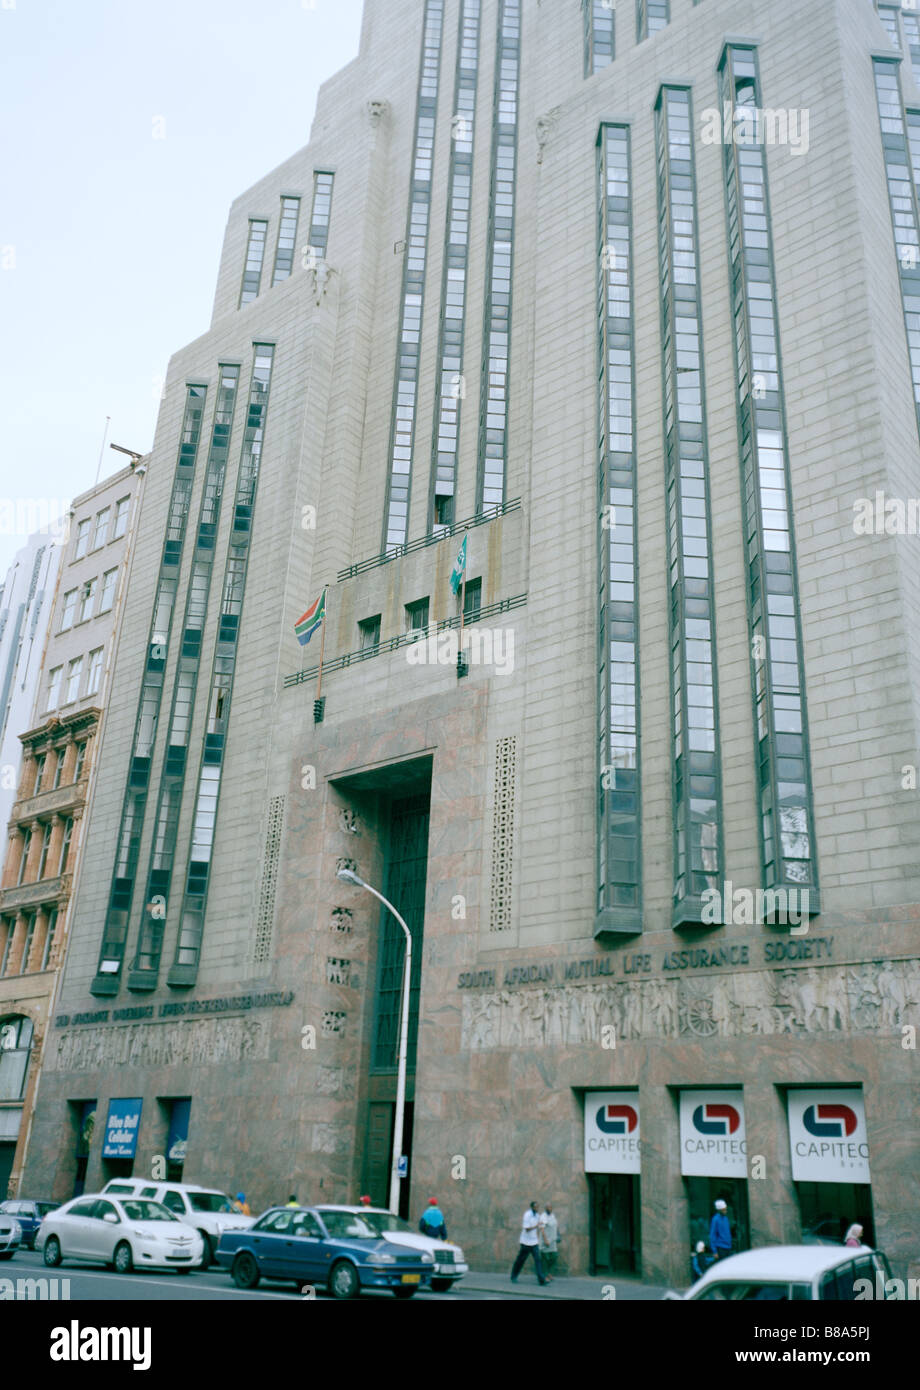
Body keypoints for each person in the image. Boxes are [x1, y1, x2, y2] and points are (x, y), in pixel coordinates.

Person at [510, 1201, 547, 1284]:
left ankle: (541, 1279)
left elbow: (540, 1227)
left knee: (538, 1260)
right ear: (532, 1207)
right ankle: (514, 1276)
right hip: (525, 1242)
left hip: (534, 1242)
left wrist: (542, 1229)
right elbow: (527, 1229)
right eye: (536, 1207)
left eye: (538, 1207)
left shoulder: (538, 1216)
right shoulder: (527, 1215)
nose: (537, 1208)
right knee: (520, 1260)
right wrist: (536, 1226)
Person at [539, 1203, 559, 1281]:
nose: (549, 1208)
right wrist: (545, 1240)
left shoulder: (552, 1215)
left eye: (550, 1207)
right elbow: (542, 1229)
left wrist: (557, 1235)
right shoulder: (543, 1216)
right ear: (545, 1208)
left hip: (553, 1241)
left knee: (554, 1256)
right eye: (548, 1207)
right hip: (546, 1242)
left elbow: (556, 1226)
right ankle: (545, 1275)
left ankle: (549, 1273)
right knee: (545, 1259)